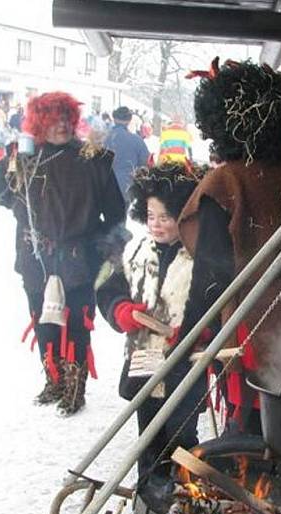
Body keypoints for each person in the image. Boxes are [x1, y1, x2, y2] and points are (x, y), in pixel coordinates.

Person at [177, 59, 281, 433]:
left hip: (252, 338)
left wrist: (188, 338)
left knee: (249, 434)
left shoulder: (225, 183)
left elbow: (211, 278)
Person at [0, 91, 128, 417]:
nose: (62, 125)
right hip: (35, 257)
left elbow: (116, 214)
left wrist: (108, 249)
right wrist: (12, 170)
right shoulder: (23, 156)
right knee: (43, 319)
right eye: (54, 120)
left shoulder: (93, 159)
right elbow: (1, 196)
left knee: (79, 322)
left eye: (67, 118)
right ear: (39, 123)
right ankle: (54, 378)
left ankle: (75, 386)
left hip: (80, 257)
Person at [96, 162, 212, 484]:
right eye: (150, 217)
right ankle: (148, 491)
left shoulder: (200, 258)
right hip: (144, 361)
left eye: (165, 217)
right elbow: (108, 289)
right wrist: (120, 311)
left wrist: (198, 332)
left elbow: (216, 307)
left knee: (180, 435)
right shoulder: (133, 252)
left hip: (184, 366)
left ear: (184, 216)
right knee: (148, 435)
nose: (157, 225)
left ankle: (184, 494)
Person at [104, 106, 150, 206]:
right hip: (126, 187)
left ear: (114, 119)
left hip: (102, 187)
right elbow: (146, 163)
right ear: (129, 120)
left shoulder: (102, 138)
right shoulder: (136, 141)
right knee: (120, 218)